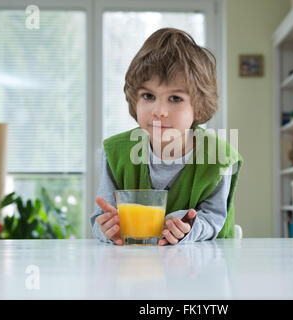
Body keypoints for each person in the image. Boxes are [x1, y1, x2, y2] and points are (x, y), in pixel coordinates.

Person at [90, 27, 243, 246]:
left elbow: (213, 217)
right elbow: (100, 218)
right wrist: (106, 229)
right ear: (135, 99)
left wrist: (188, 229)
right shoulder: (115, 152)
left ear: (198, 108)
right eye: (148, 96)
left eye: (175, 99)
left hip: (202, 270)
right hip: (134, 270)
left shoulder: (219, 157)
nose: (159, 111)